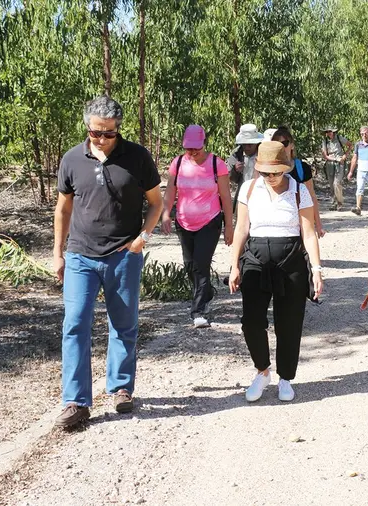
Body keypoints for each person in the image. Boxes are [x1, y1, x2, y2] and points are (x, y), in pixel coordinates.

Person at [52, 96, 163, 428]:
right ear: (88, 127)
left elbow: (156, 203)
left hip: (123, 255)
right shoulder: (72, 159)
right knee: (75, 324)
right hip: (80, 255)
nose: (100, 139)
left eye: (108, 133)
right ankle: (76, 401)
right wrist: (58, 252)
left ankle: (121, 388)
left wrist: (144, 235)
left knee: (124, 324)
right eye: (95, 132)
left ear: (118, 129)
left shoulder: (138, 158)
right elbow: (63, 210)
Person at [229, 141, 324, 403]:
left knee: (289, 323)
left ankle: (285, 378)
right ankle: (262, 371)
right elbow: (241, 229)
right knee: (251, 322)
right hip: (256, 260)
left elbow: (308, 232)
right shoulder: (248, 190)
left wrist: (316, 269)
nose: (271, 178)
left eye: (276, 172)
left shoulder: (298, 192)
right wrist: (234, 264)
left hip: (290, 260)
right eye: (265, 172)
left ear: (285, 169)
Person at [160, 125, 234, 328]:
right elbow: (170, 192)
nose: (192, 152)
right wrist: (166, 214)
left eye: (196, 149)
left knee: (201, 265)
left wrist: (229, 226)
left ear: (204, 144)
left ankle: (198, 311)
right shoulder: (179, 162)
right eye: (188, 148)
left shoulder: (216, 164)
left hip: (210, 221)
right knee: (190, 266)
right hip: (183, 222)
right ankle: (206, 293)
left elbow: (226, 198)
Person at [271, 126, 325, 237]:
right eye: (277, 144)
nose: (281, 147)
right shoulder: (267, 170)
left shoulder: (303, 168)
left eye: (284, 143)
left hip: (300, 222)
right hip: (275, 223)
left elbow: (311, 196)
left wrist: (318, 224)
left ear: (292, 145)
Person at [226, 124, 264, 209]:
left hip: (262, 196)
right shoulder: (236, 154)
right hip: (243, 197)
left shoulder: (264, 153)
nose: (247, 147)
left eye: (250, 144)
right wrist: (235, 171)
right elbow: (229, 178)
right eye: (244, 144)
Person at [320, 126, 352, 211]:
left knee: (336, 183)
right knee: (331, 184)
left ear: (333, 132)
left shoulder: (339, 138)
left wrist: (344, 156)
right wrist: (333, 159)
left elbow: (350, 145)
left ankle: (340, 202)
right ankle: (334, 202)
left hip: (340, 163)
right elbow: (325, 155)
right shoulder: (325, 141)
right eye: (327, 132)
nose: (329, 133)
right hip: (330, 164)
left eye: (330, 131)